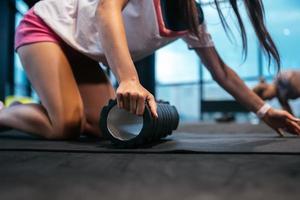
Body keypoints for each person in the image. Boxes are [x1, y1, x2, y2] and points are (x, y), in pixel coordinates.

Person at [0, 0, 299, 139]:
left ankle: (43, 107)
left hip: (80, 53)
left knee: (99, 127)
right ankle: (3, 113)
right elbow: (106, 9)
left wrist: (264, 111)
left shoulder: (191, 19)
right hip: (46, 28)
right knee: (65, 125)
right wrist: (129, 78)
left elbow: (221, 71)